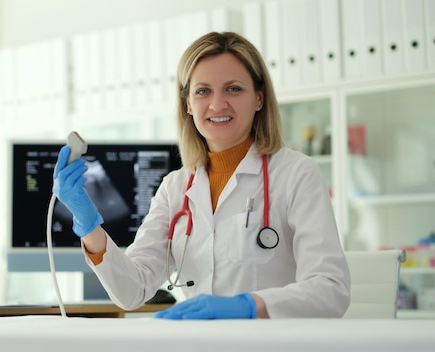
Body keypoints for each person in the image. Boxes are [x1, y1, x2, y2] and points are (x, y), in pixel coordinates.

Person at [53, 31, 350, 319]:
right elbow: (133, 290)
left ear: (259, 98)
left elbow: (331, 289)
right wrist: (88, 223)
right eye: (203, 91)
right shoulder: (175, 187)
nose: (218, 104)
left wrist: (249, 306)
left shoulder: (296, 173)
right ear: (188, 104)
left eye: (234, 88)